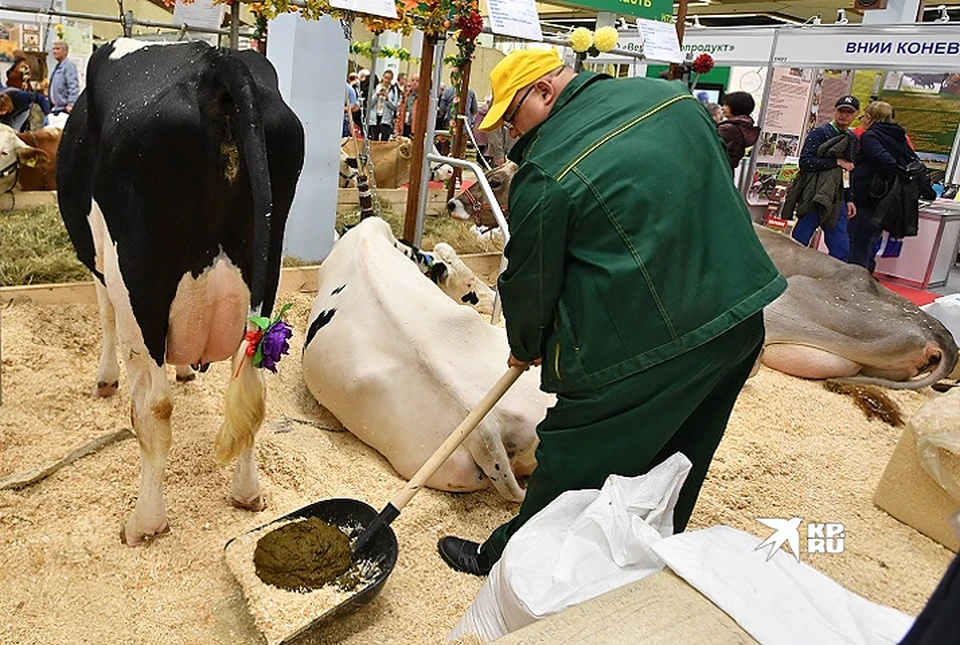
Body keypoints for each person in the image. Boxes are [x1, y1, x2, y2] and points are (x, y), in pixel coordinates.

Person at [436, 48, 786, 576]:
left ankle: (511, 561)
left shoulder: (549, 169)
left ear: (545, 92)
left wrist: (527, 344)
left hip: (646, 342)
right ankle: (646, 558)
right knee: (682, 451)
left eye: (513, 116)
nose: (513, 133)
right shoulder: (673, 100)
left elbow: (530, 276)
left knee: (573, 451)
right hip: (738, 316)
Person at [783, 95, 859, 261]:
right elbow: (805, 162)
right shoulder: (820, 133)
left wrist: (850, 199)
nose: (844, 115)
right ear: (834, 111)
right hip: (814, 194)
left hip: (838, 198)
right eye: (841, 111)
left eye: (849, 112)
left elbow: (848, 171)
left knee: (841, 249)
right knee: (799, 242)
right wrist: (835, 162)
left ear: (855, 115)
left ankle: (833, 282)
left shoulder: (853, 139)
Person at [848, 101, 916, 272]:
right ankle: (867, 276)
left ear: (869, 118)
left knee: (858, 243)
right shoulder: (900, 136)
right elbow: (911, 161)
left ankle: (855, 283)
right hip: (887, 199)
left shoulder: (870, 136)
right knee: (871, 240)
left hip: (867, 196)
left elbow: (887, 163)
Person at [716, 91, 760, 172]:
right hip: (728, 170)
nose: (722, 108)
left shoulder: (727, 128)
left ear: (735, 107)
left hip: (718, 169)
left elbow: (713, 148)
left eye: (726, 105)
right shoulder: (743, 126)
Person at [366, 69, 399, 142]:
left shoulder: (393, 90)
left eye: (389, 79)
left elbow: (394, 106)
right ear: (382, 77)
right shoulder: (375, 87)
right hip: (374, 117)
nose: (387, 80)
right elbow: (369, 104)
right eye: (386, 78)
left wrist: (387, 98)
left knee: (384, 140)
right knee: (374, 139)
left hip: (386, 119)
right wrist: (377, 95)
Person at [49, 40, 79, 115]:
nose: (54, 51)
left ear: (65, 52)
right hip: (56, 108)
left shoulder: (69, 66)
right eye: (54, 49)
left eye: (57, 49)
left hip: (64, 109)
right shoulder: (57, 66)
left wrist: (71, 104)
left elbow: (73, 86)